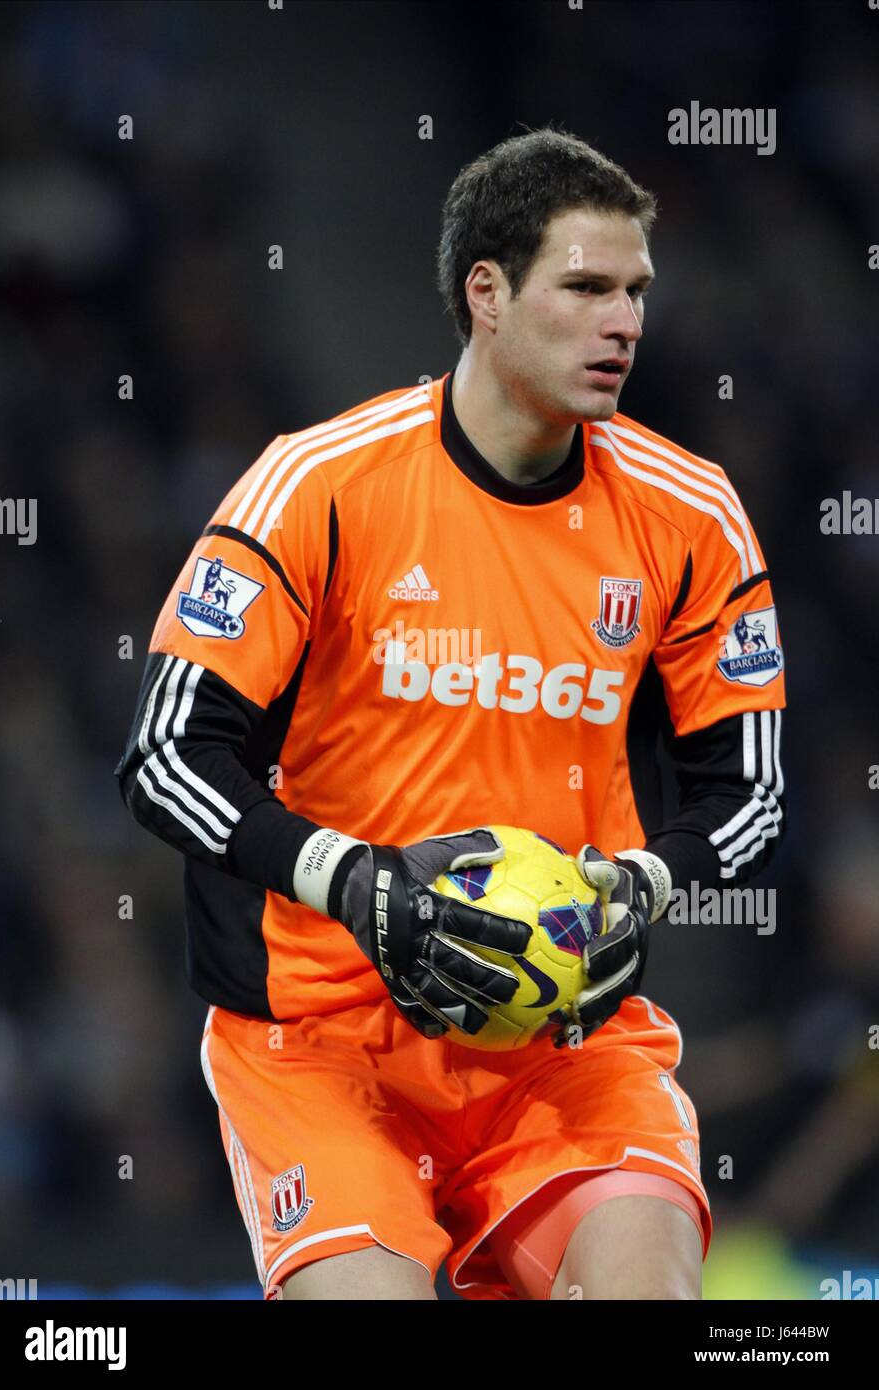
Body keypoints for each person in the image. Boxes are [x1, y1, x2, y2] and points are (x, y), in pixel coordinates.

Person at [116, 127, 786, 1300]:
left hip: (561, 1038)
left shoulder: (691, 516)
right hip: (318, 1042)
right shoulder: (317, 485)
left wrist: (646, 883)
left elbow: (751, 788)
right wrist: (356, 882)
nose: (622, 320)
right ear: (486, 292)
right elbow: (168, 756)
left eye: (634, 291)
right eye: (583, 287)